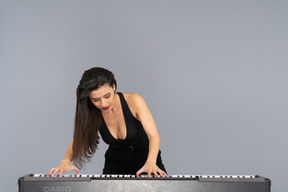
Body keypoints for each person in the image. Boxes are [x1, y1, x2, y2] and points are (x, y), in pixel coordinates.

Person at [48, 67, 167, 177]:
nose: (103, 104)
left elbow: (154, 136)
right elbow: (77, 140)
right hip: (115, 164)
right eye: (96, 100)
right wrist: (65, 161)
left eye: (107, 96)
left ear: (114, 87)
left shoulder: (134, 100)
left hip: (147, 161)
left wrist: (151, 162)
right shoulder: (92, 112)